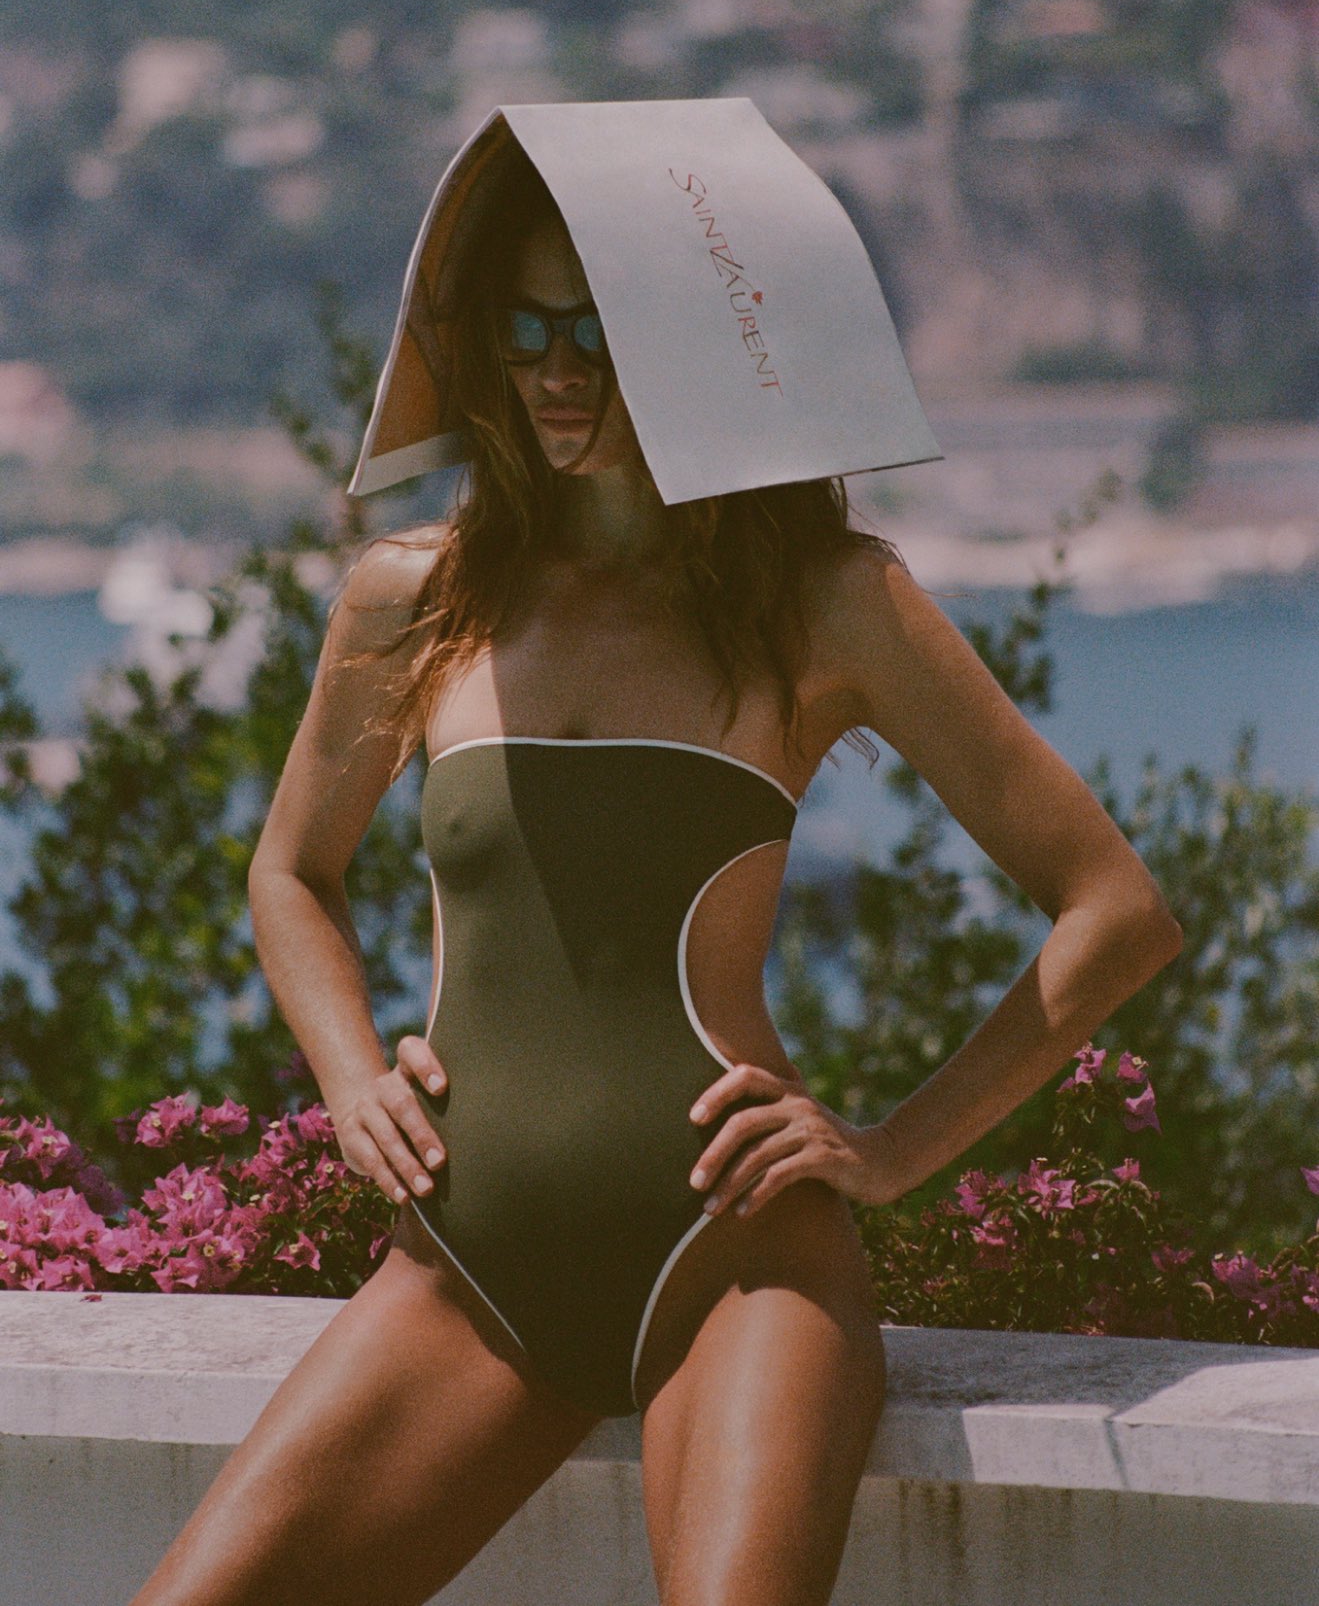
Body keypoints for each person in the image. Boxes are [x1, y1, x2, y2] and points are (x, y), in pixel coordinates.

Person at [131, 160, 1182, 1606]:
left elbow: (1114, 907)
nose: (558, 372)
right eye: (527, 328)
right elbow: (290, 871)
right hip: (463, 1272)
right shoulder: (414, 596)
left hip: (736, 1269)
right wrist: (352, 1074)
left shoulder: (829, 604)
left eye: (600, 331)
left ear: (687, 346)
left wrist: (891, 1148)